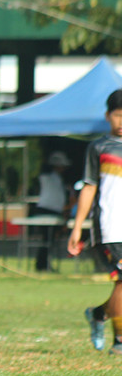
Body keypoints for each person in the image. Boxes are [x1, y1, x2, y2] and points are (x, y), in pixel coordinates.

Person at [69, 88, 122, 354]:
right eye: (118, 115)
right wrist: (78, 226)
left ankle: (99, 314)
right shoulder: (99, 147)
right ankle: (120, 343)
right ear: (107, 116)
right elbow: (88, 188)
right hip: (110, 227)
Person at [31, 151, 73, 271]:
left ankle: (43, 263)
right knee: (47, 239)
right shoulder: (47, 177)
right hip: (47, 209)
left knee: (49, 240)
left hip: (54, 210)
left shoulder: (57, 179)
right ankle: (42, 264)